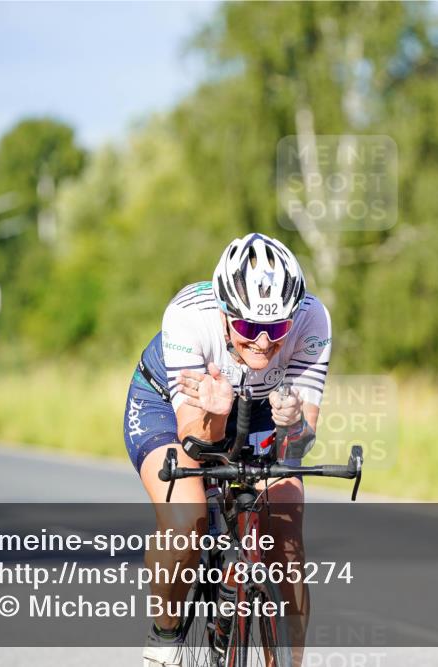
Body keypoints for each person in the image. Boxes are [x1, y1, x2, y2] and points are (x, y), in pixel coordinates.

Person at [124, 233, 332, 667]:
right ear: (224, 314)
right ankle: (166, 633)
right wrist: (216, 415)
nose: (262, 342)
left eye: (276, 329)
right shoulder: (187, 316)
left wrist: (293, 423)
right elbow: (194, 440)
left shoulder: (313, 319)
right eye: (247, 328)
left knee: (286, 531)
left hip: (260, 408)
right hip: (172, 404)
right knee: (188, 517)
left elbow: (302, 439)